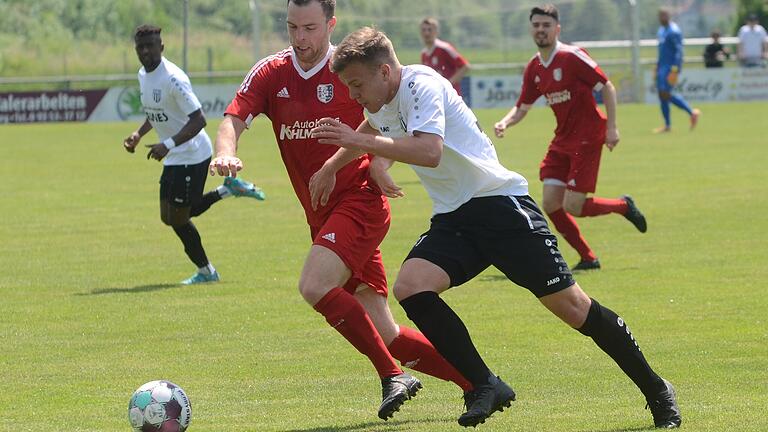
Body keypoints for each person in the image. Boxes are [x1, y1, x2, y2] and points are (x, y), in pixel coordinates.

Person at [312, 25, 681, 429]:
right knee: (411, 286)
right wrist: (333, 166)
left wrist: (364, 148)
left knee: (574, 309)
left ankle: (657, 388)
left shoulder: (421, 85)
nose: (353, 95)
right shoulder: (382, 96)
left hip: (502, 207)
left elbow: (429, 151)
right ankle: (486, 384)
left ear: (384, 72)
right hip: (456, 218)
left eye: (356, 85)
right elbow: (371, 125)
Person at [208, 0, 472, 421]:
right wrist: (226, 153)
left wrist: (376, 165)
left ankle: (392, 376)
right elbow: (233, 118)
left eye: (310, 27)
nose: (300, 38)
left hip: (361, 203)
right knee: (385, 332)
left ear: (330, 24)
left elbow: (392, 118)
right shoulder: (271, 72)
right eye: (292, 27)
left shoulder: (353, 71)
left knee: (314, 285)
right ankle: (478, 383)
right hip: (323, 217)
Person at [492, 4, 645, 272]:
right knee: (551, 203)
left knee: (573, 205)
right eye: (537, 25)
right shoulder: (535, 67)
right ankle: (588, 257)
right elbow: (523, 106)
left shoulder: (572, 56)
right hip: (563, 138)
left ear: (557, 29)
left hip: (588, 135)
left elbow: (607, 87)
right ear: (532, 29)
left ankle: (623, 206)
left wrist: (612, 128)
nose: (541, 30)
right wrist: (505, 121)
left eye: (546, 25)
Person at [123, 24, 265, 285]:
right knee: (168, 216)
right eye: (140, 47)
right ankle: (228, 189)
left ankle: (207, 272)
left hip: (193, 154)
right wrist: (139, 134)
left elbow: (199, 119)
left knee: (179, 217)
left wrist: (167, 144)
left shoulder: (173, 78)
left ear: (161, 47)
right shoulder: (143, 74)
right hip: (175, 154)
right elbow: (156, 111)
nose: (145, 51)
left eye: (150, 46)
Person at [654, 7, 700, 133]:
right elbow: (661, 51)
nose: (661, 18)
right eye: (660, 16)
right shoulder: (661, 31)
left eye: (664, 15)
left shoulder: (674, 31)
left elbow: (679, 51)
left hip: (670, 68)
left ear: (669, 16)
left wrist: (675, 69)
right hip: (662, 67)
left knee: (665, 94)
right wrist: (657, 66)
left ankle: (692, 112)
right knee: (662, 95)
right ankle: (668, 125)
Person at [420, 17, 470, 96]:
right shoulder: (424, 54)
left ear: (436, 31)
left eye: (430, 30)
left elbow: (465, 66)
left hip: (450, 96)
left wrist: (448, 84)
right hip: (435, 96)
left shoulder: (445, 48)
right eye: (424, 30)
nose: (426, 33)